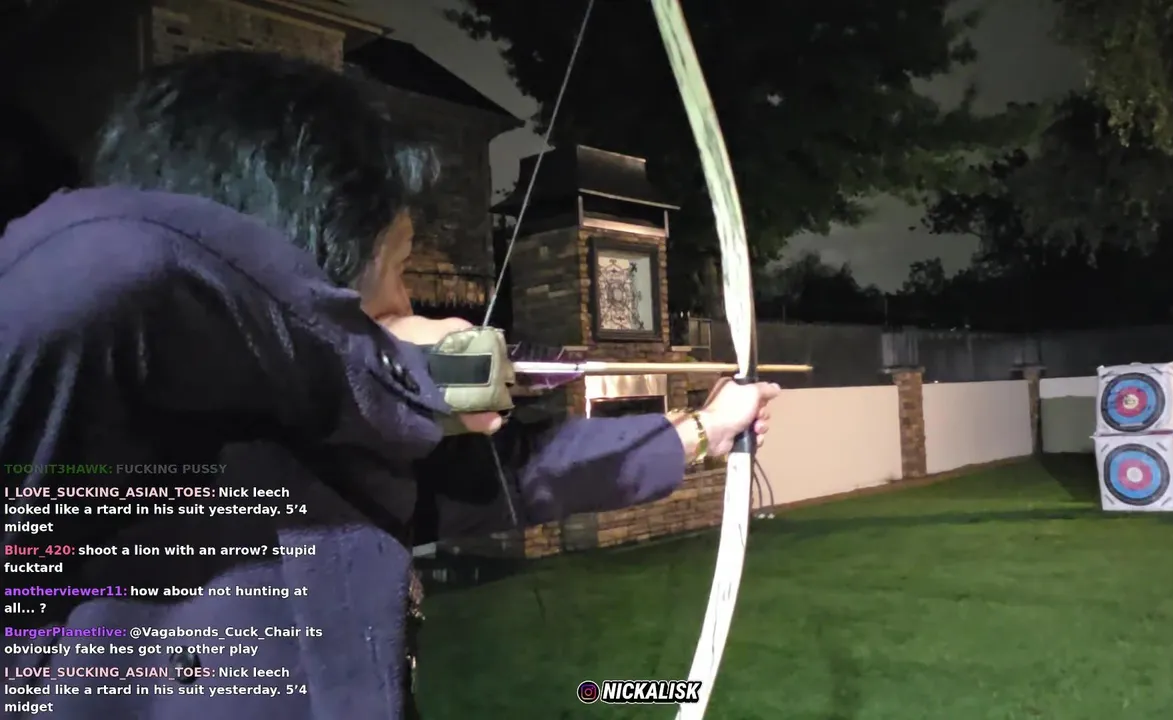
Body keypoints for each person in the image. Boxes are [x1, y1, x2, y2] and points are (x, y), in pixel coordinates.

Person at [0, 50, 778, 719]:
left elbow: (520, 474)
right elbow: (104, 267)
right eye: (400, 268)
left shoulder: (340, 455)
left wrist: (705, 429)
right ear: (300, 261)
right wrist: (389, 364)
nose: (409, 302)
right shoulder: (70, 426)